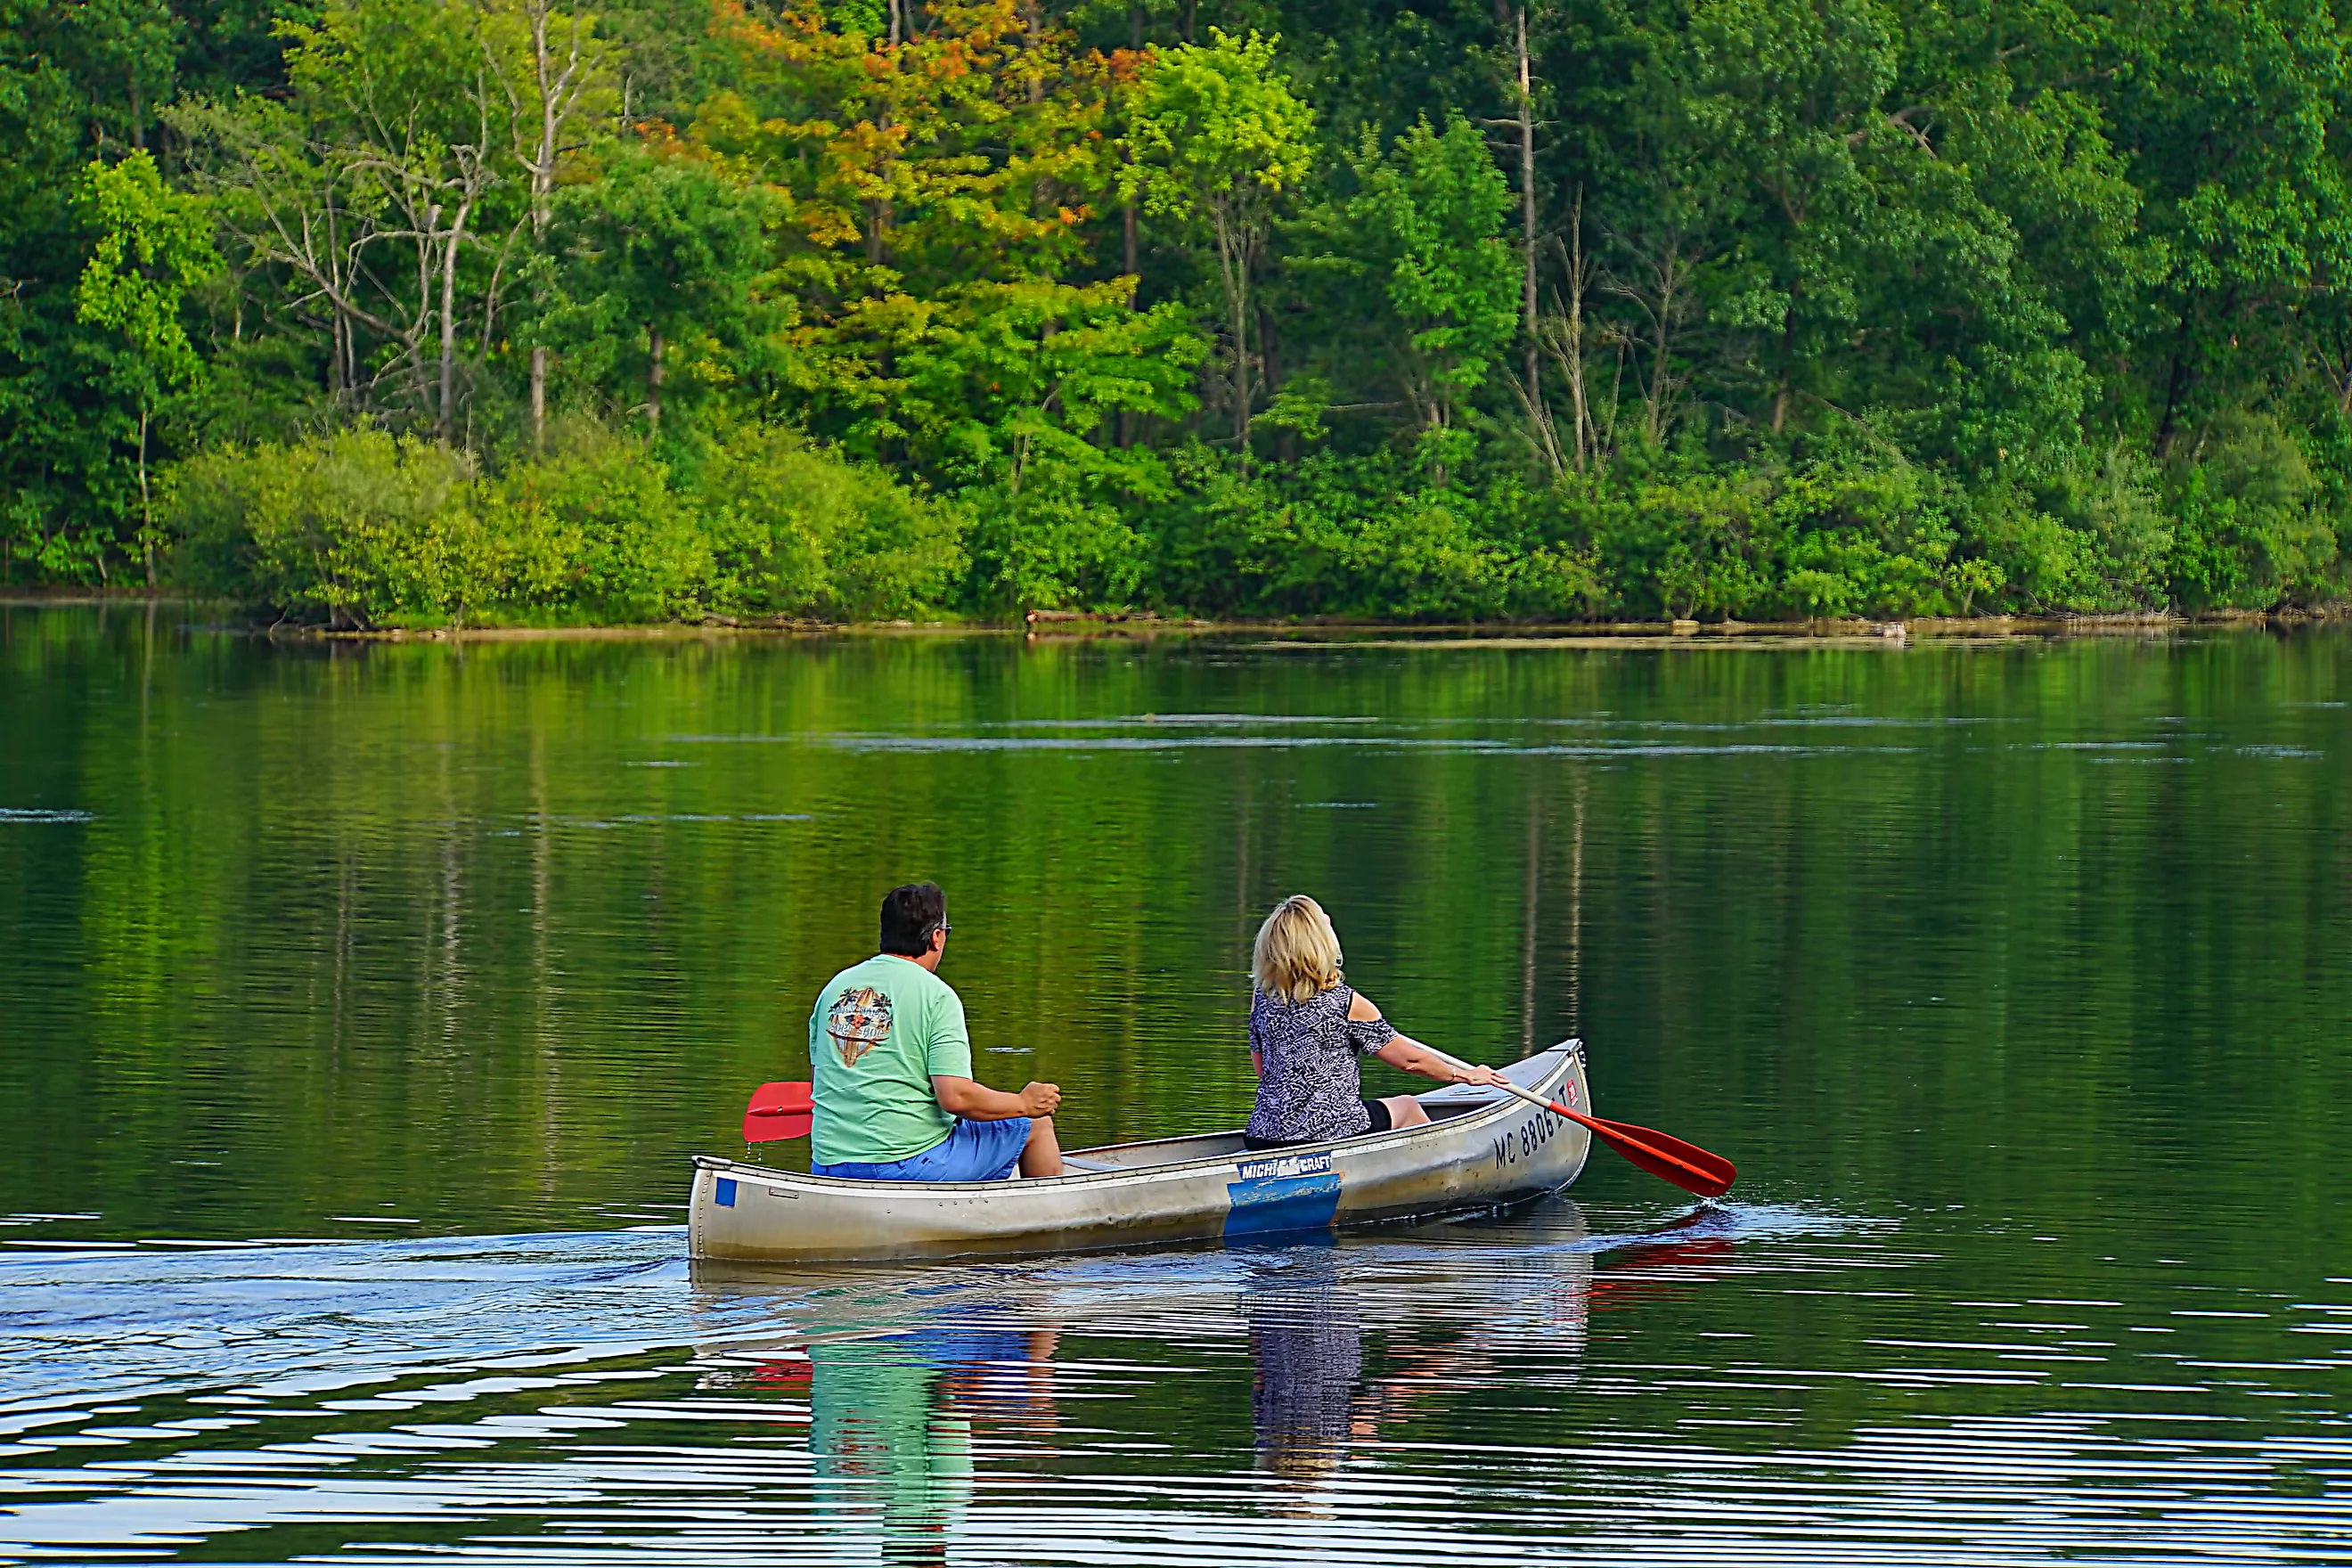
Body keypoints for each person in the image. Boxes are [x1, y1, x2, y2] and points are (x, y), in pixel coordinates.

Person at [809, 883, 1062, 1180]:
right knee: (1035, 1125)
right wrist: (1023, 1104)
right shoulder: (937, 996)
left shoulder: (835, 989)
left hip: (828, 1165)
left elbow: (821, 1080)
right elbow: (955, 1098)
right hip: (903, 1167)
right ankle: (1045, 1222)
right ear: (936, 938)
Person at [1245, 894, 1508, 1150]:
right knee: (1407, 1107)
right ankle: (1448, 1171)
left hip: (1263, 1134)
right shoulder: (1347, 1003)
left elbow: (1264, 1071)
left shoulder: (1261, 998)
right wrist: (1466, 1075)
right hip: (1331, 1131)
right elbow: (1410, 1062)